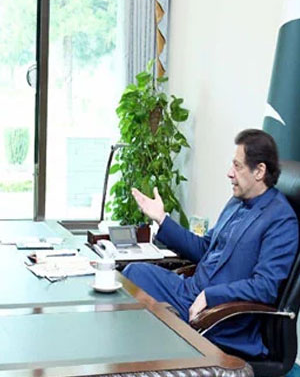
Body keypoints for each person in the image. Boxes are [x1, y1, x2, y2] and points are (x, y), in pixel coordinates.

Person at [123, 129, 298, 357]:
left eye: (237, 166)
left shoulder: (281, 220)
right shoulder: (236, 202)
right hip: (190, 291)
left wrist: (211, 295)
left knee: (136, 296)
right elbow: (205, 249)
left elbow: (264, 287)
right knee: (131, 274)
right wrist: (162, 218)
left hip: (220, 314)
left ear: (259, 171)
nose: (229, 173)